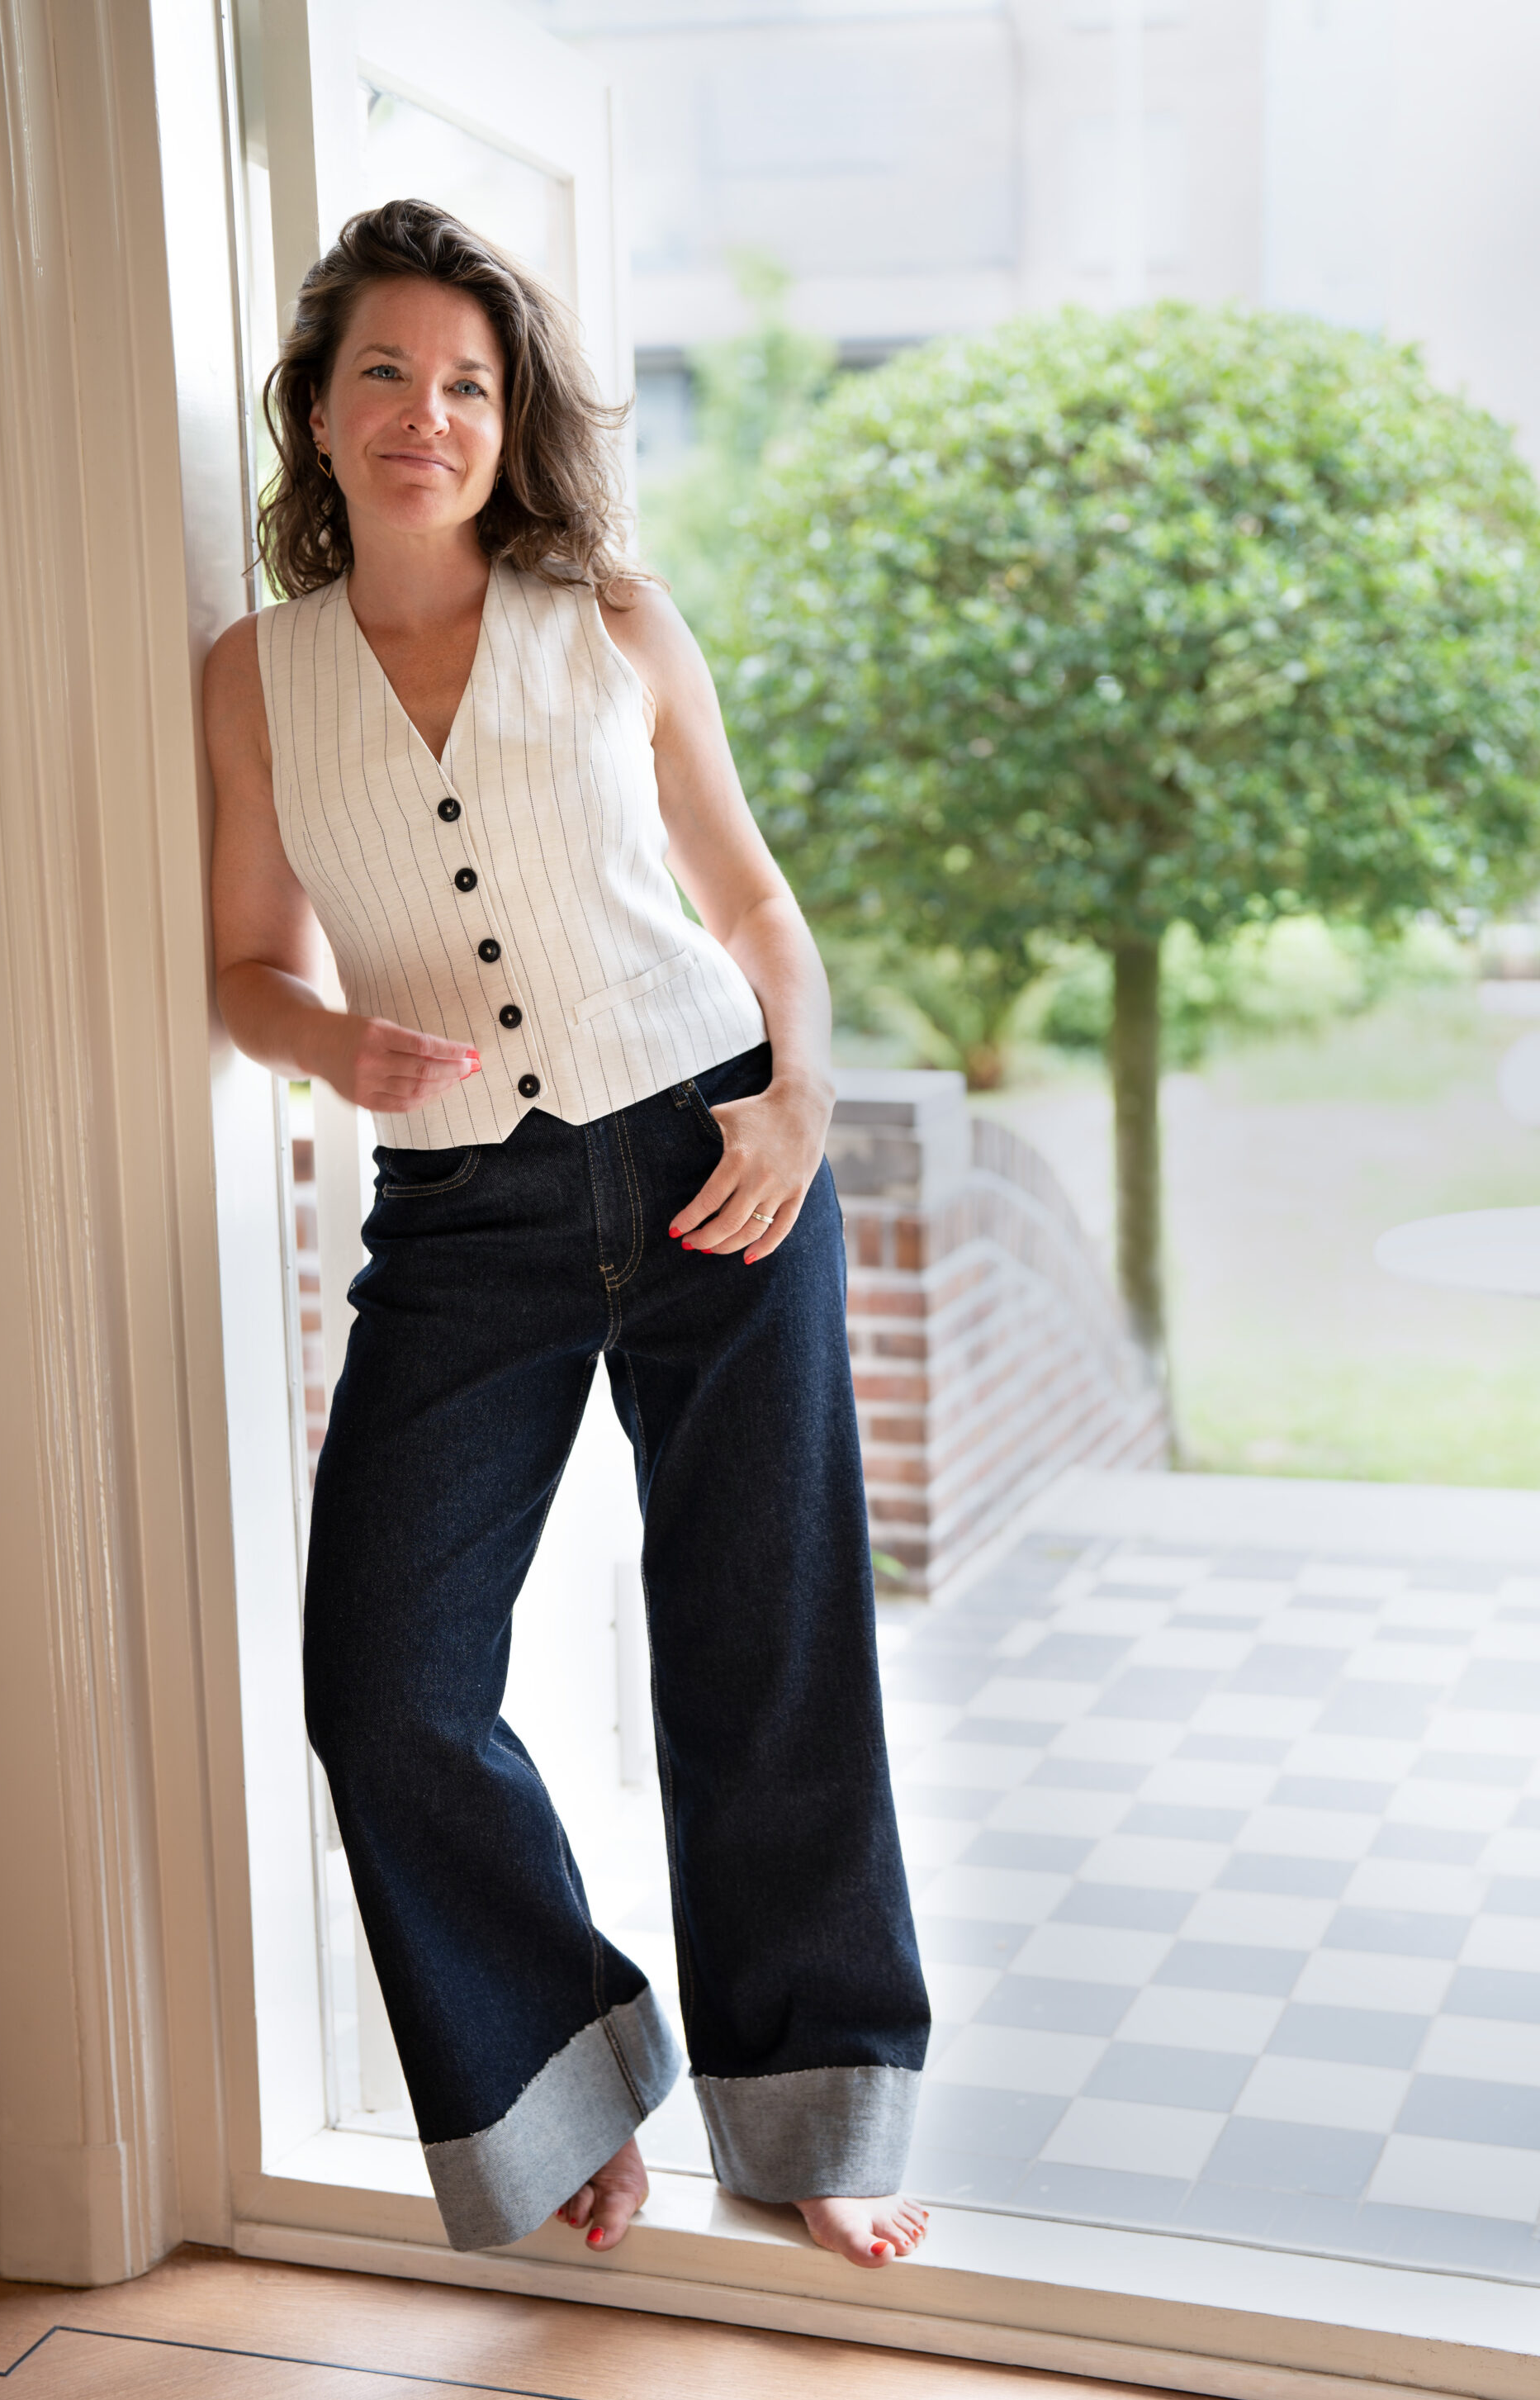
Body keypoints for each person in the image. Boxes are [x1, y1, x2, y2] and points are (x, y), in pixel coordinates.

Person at [205, 199, 929, 2269]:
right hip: (463, 1215)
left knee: (764, 1643)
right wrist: (333, 1045)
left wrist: (800, 1097)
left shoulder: (609, 615)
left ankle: (811, 2118)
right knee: (387, 1685)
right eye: (385, 373)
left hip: (715, 1157)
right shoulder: (255, 679)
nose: (425, 414)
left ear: (506, 418)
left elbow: (752, 899)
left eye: (468, 382)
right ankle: (562, 2072)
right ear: (318, 412)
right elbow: (242, 966)